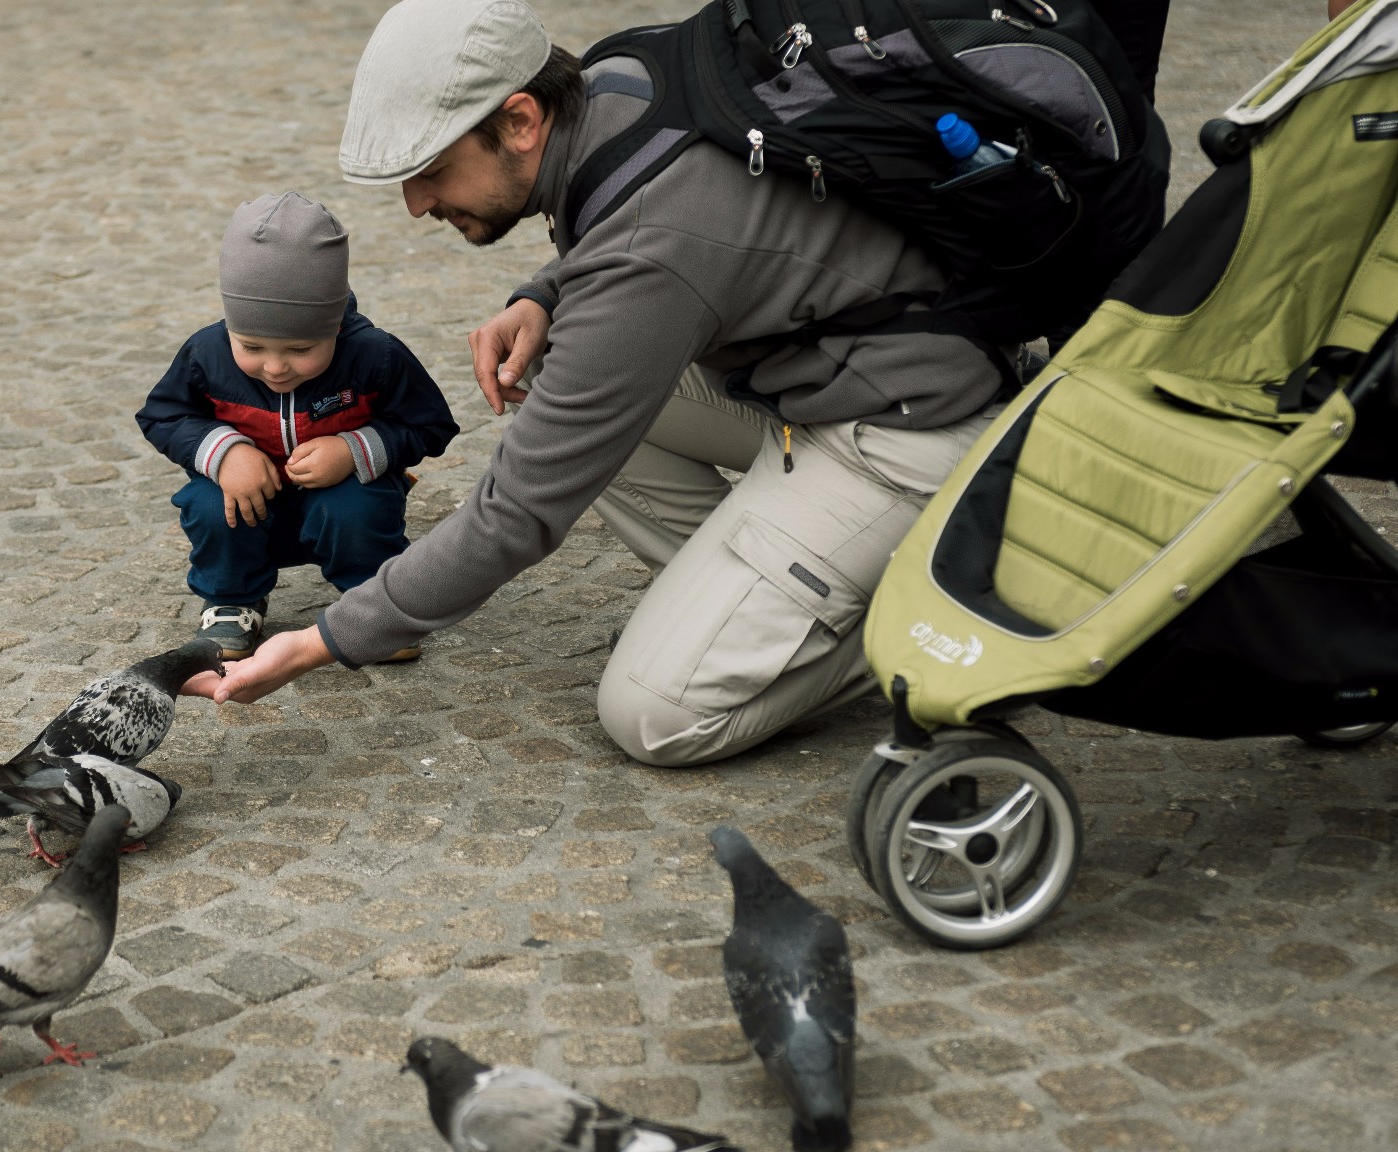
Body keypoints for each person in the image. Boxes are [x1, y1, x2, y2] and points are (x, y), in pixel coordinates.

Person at [195, 0, 1011, 767]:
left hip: (904, 431)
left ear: (518, 120)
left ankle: (944, 630)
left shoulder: (645, 257)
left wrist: (325, 640)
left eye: (432, 170)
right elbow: (663, 222)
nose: (415, 204)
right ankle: (759, 594)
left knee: (654, 714)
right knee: (562, 365)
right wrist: (545, 293)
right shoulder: (615, 75)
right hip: (825, 380)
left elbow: (518, 511)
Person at [138, 192, 458, 660]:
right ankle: (232, 598)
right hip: (248, 495)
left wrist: (353, 450)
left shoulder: (375, 355)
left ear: (334, 325)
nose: (275, 367)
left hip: (340, 495)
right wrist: (225, 452)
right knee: (209, 503)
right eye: (251, 346)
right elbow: (162, 414)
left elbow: (430, 424)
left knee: (357, 507)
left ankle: (371, 604)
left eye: (300, 349)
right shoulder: (206, 353)